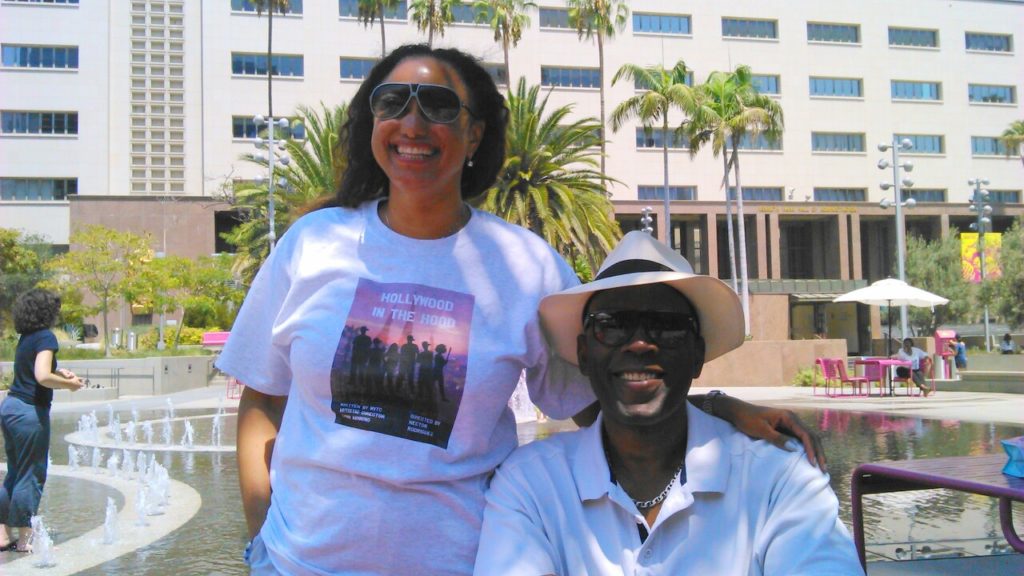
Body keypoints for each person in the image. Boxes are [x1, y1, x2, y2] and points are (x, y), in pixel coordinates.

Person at [218, 44, 824, 575]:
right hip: (300, 565)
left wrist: (717, 411)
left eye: (436, 105)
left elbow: (606, 402)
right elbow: (263, 398)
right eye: (392, 101)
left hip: (465, 563)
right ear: (371, 120)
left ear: (475, 132)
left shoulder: (523, 266)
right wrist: (260, 539)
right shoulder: (312, 243)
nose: (412, 121)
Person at [475, 231, 862, 575]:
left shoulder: (779, 476)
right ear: (584, 353)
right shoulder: (531, 486)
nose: (640, 343)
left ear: (697, 354)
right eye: (612, 325)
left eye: (667, 325)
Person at [0, 288, 85, 553]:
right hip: (29, 412)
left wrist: (58, 371)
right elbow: (41, 376)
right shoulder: (46, 337)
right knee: (31, 474)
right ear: (47, 312)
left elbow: (35, 369)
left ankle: (3, 535)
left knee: (14, 473)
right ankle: (25, 539)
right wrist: (68, 385)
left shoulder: (26, 337)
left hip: (11, 407)